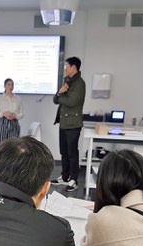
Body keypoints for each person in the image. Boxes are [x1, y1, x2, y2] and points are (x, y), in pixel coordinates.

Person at [51, 56, 86, 192]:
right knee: (64, 152)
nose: (65, 68)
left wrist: (62, 95)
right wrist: (60, 92)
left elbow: (72, 102)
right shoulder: (67, 81)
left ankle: (74, 179)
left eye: (67, 66)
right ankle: (64, 177)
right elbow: (55, 99)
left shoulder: (79, 83)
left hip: (73, 124)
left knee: (72, 152)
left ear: (73, 67)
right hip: (64, 123)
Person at [0, 78, 23, 143]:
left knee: (14, 145)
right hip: (3, 123)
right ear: (5, 86)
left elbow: (21, 113)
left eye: (12, 85)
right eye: (8, 85)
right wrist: (4, 113)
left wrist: (15, 115)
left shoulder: (17, 98)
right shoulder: (0, 98)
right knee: (2, 144)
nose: (11, 87)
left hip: (14, 123)